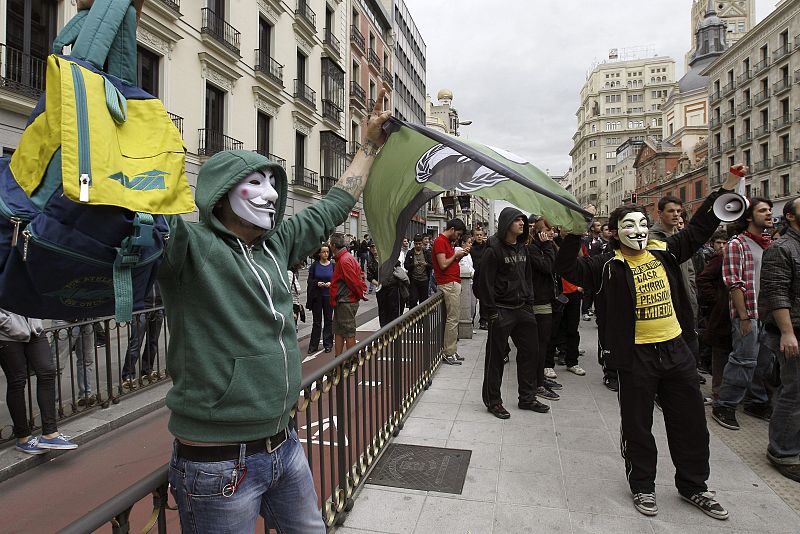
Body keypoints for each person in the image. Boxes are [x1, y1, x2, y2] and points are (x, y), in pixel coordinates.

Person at [157, 95, 390, 533]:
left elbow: (333, 206)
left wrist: (370, 146)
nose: (271, 193)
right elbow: (140, 221)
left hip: (283, 444)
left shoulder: (275, 244)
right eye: (255, 182)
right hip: (219, 463)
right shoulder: (190, 246)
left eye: (272, 182)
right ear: (220, 195)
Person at [554, 165, 744, 520]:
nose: (639, 231)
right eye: (629, 225)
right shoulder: (605, 265)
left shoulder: (665, 251)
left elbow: (700, 228)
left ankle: (694, 486)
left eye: (643, 223)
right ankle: (643, 485)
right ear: (614, 232)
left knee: (690, 423)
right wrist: (575, 230)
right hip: (635, 357)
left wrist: (727, 188)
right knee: (638, 426)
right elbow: (566, 269)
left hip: (676, 351)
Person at [474, 208, 546, 418]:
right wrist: (491, 312)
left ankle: (527, 397)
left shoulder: (523, 249)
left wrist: (529, 302)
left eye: (522, 220)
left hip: (523, 309)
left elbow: (528, 278)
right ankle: (493, 401)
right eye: (517, 220)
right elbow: (484, 284)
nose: (522, 223)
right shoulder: (493, 250)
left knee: (530, 353)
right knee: (496, 358)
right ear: (506, 223)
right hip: (501, 310)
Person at [712, 197, 775, 431]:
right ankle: (725, 405)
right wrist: (744, 317)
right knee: (742, 360)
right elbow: (734, 283)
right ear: (749, 216)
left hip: (768, 314)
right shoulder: (736, 244)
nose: (769, 213)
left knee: (763, 363)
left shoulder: (769, 244)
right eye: (762, 210)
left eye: (769, 209)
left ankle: (755, 402)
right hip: (749, 313)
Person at [758, 196, 800, 482]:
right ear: (790, 216)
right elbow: (776, 292)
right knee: (794, 391)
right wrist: (787, 332)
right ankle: (782, 451)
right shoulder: (781, 248)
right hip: (793, 332)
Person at [1, 308, 78, 454]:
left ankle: (50, 434)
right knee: (17, 381)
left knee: (47, 371)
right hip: (7, 333)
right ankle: (23, 437)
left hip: (34, 329)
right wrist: (8, 322)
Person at [528, 216, 562, 401]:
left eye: (553, 230)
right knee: (539, 345)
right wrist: (547, 246)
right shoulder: (533, 249)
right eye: (548, 230)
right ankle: (536, 383)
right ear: (539, 232)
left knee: (545, 343)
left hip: (548, 300)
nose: (552, 233)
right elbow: (548, 267)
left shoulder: (546, 247)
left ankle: (540, 377)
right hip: (538, 303)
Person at [696, 230, 732, 400]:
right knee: (721, 351)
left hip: (736, 311)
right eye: (719, 243)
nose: (722, 246)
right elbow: (702, 279)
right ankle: (719, 391)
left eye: (725, 243)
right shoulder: (720, 258)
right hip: (722, 313)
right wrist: (717, 300)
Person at [433, 218, 469, 365]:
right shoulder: (440, 241)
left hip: (452, 282)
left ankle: (452, 350)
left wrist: (458, 256)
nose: (458, 237)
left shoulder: (446, 242)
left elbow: (448, 263)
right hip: (448, 283)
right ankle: (449, 352)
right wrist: (455, 255)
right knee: (452, 319)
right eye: (458, 234)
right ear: (452, 229)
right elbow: (443, 264)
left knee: (453, 319)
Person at [330, 232, 368, 357]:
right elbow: (358, 276)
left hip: (346, 301)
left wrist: (360, 293)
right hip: (343, 301)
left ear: (333, 245)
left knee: (348, 332)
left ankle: (351, 361)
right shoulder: (346, 257)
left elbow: (353, 282)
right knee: (339, 331)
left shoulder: (344, 260)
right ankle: (339, 360)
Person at [122, 283, 164, 390]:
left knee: (153, 342)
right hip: (141, 308)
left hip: (158, 307)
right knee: (136, 343)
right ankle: (128, 375)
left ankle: (147, 369)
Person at [306, 244, 334, 354]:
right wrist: (317, 283)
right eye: (323, 252)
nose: (326, 254)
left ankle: (328, 344)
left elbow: (337, 280)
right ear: (319, 253)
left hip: (329, 296)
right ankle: (314, 345)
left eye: (327, 252)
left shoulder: (333, 265)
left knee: (328, 320)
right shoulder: (314, 266)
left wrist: (331, 284)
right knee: (317, 322)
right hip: (317, 297)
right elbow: (309, 281)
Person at [404, 234, 433, 308]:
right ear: (414, 244)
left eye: (419, 244)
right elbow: (406, 266)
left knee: (423, 301)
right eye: (416, 244)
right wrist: (413, 265)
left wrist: (426, 264)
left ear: (422, 243)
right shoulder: (410, 253)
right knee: (413, 300)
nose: (418, 246)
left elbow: (432, 265)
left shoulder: (426, 253)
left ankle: (423, 315)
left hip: (424, 280)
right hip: (414, 280)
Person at [581, 220, 602, 320]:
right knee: (588, 290)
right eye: (597, 225)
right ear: (592, 228)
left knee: (596, 290)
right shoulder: (586, 240)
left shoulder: (600, 240)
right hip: (589, 267)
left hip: (598, 267)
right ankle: (584, 311)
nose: (599, 227)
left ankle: (591, 308)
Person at [470, 228, 489, 329]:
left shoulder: (487, 247)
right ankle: (471, 320)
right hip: (473, 276)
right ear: (474, 236)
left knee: (484, 299)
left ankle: (484, 320)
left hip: (484, 276)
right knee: (472, 301)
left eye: (481, 235)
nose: (479, 237)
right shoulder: (471, 248)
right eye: (477, 235)